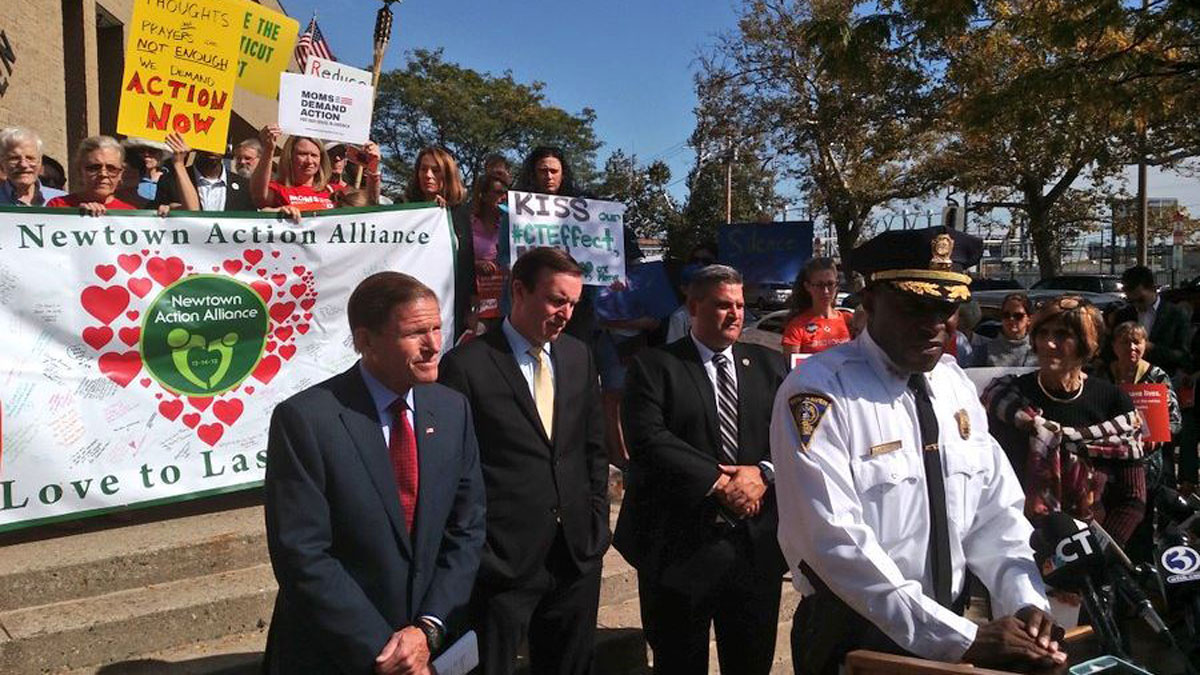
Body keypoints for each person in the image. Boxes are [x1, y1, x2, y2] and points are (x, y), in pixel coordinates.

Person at [771, 226, 1063, 674]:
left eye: (947, 309)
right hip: (856, 631)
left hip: (952, 623)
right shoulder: (819, 392)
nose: (935, 324)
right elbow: (833, 540)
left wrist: (1025, 601)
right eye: (915, 306)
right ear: (869, 302)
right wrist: (959, 639)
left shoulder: (954, 387)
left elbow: (996, 514)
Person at [263, 272, 487, 675]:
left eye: (437, 328)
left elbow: (467, 528)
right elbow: (303, 554)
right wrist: (388, 653)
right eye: (415, 333)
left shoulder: (453, 409)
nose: (434, 345)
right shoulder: (306, 421)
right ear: (365, 341)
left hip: (428, 648)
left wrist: (428, 630)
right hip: (340, 654)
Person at [438, 247, 609, 675]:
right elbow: (455, 471)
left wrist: (595, 524)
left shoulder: (577, 356)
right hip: (501, 565)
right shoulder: (467, 366)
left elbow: (593, 448)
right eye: (556, 300)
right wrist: (480, 548)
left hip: (574, 556)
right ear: (519, 291)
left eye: (573, 303)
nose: (566, 313)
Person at [615, 264, 787, 674]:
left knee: (750, 662)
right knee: (678, 662)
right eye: (722, 305)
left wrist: (763, 473)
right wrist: (722, 481)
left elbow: (795, 439)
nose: (735, 314)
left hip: (753, 550)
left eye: (740, 305)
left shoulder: (769, 365)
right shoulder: (655, 366)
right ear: (694, 307)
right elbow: (648, 439)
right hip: (679, 550)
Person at [985, 297, 1145, 547]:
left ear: (1086, 344)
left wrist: (1097, 554)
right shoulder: (1008, 400)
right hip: (1015, 547)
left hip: (1092, 552)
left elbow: (1132, 499)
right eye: (1043, 333)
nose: (1049, 343)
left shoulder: (1113, 403)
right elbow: (987, 488)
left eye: (1062, 335)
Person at [514, 147, 595, 343]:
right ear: (533, 174)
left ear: (563, 174)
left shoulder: (584, 210)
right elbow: (508, 261)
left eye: (554, 171)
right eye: (543, 171)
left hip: (578, 314)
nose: (548, 176)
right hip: (535, 306)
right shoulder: (515, 210)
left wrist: (612, 278)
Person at [406, 147, 475, 341]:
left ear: (447, 173)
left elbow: (467, 261)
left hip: (453, 306)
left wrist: (472, 306)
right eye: (423, 169)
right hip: (413, 302)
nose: (428, 175)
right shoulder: (405, 209)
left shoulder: (460, 213)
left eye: (435, 170)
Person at [252, 124, 381, 221]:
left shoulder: (333, 190)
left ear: (321, 159)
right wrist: (268, 150)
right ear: (289, 156)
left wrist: (373, 167)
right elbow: (259, 198)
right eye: (302, 154)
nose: (309, 161)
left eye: (314, 155)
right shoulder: (278, 189)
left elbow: (371, 204)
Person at [1112, 265, 1190, 374]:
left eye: (1140, 300)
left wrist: (1152, 348)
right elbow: (1111, 347)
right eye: (1131, 301)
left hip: (1163, 379)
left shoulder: (1175, 315)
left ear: (1153, 289)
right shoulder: (1123, 315)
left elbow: (1183, 356)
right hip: (1129, 379)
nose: (1136, 305)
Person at [152, 134, 253, 213]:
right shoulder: (170, 181)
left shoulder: (244, 186)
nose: (212, 148)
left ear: (227, 146)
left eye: (218, 141)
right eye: (207, 141)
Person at [47, 136, 137, 214]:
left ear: (120, 174)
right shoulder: (58, 206)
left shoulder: (131, 215)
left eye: (111, 168)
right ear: (80, 171)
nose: (103, 174)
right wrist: (75, 215)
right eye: (94, 167)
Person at [780, 257, 851, 357]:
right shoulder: (796, 326)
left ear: (837, 284)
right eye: (819, 285)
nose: (826, 291)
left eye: (830, 284)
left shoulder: (849, 321)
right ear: (807, 287)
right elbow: (792, 369)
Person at [469, 172, 509, 333]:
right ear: (483, 196)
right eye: (498, 192)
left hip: (505, 304)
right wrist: (476, 265)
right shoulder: (468, 225)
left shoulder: (511, 226)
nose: (504, 197)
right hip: (478, 305)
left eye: (506, 193)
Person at [0, 127, 66, 206]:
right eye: (14, 158)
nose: (23, 164)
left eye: (30, 158)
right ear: (2, 162)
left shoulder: (63, 200)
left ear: (40, 162)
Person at [980, 292, 1037, 367]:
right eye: (1006, 315)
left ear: (1029, 319)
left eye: (1018, 316)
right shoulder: (984, 351)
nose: (1011, 319)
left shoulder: (1039, 349)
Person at [122, 137, 170, 203]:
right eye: (142, 150)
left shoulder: (171, 178)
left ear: (161, 154)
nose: (146, 154)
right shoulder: (129, 177)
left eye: (152, 151)